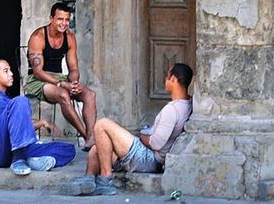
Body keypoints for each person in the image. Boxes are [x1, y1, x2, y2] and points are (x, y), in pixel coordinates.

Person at [59, 63, 193, 196]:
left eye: (167, 76)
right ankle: (88, 179)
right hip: (149, 156)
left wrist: (142, 136)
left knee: (102, 124)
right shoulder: (187, 104)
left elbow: (156, 143)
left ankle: (105, 180)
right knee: (97, 148)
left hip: (150, 159)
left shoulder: (172, 109)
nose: (165, 80)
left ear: (174, 79)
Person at [0, 58, 77, 175]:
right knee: (21, 101)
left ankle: (32, 161)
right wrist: (42, 123)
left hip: (11, 149)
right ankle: (18, 158)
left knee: (68, 149)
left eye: (10, 70)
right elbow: (11, 128)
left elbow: (19, 124)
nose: (11, 73)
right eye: (6, 71)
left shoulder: (5, 97)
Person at [24, 1, 97, 149]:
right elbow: (38, 72)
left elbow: (74, 68)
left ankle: (91, 138)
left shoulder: (69, 38)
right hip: (38, 81)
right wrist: (62, 84)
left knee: (90, 95)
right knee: (64, 94)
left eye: (66, 20)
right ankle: (88, 138)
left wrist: (74, 82)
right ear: (51, 18)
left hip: (60, 79)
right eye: (60, 19)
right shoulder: (38, 37)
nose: (64, 23)